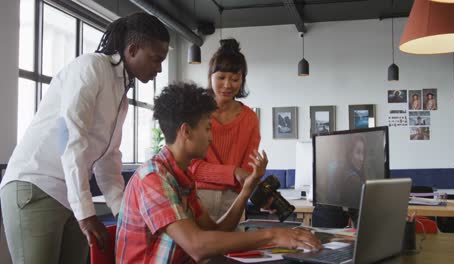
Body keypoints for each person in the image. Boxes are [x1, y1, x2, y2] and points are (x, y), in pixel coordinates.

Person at [0, 13, 169, 264]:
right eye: (156, 59)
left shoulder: (121, 93)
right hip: (36, 184)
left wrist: (123, 214)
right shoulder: (90, 67)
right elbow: (70, 137)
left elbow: (108, 159)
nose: (159, 69)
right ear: (132, 50)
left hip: (70, 193)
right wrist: (86, 213)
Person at [115, 83, 322, 263]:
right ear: (186, 132)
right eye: (207, 129)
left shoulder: (182, 178)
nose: (211, 138)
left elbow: (216, 232)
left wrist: (246, 190)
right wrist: (274, 236)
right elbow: (197, 246)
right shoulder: (153, 178)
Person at [188, 39, 261, 221]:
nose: (228, 85)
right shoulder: (196, 112)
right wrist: (233, 172)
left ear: (242, 80)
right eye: (221, 77)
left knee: (233, 248)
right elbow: (191, 166)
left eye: (235, 79)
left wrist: (250, 178)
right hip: (197, 195)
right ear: (210, 77)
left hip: (233, 198)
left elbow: (248, 168)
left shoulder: (250, 118)